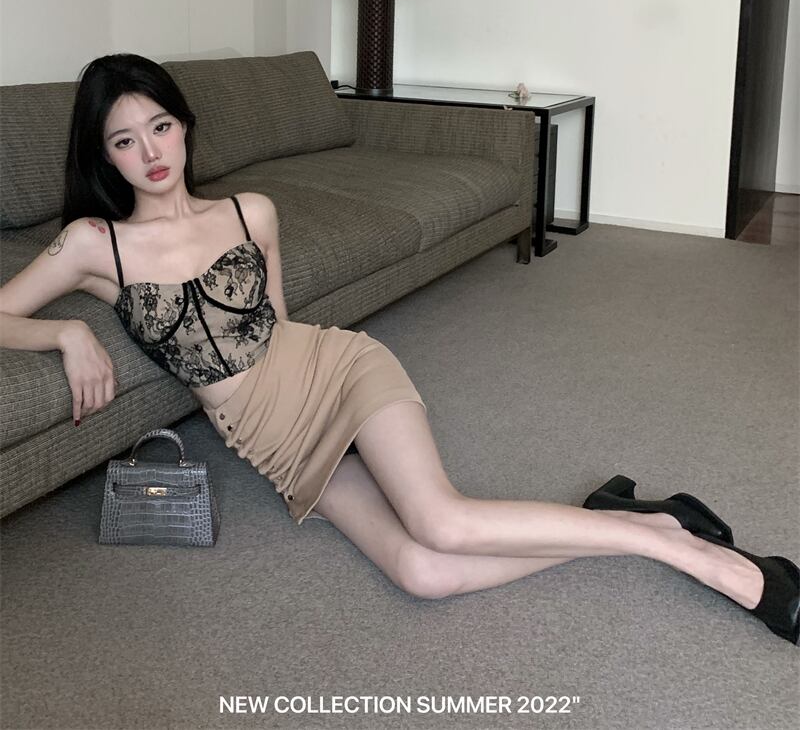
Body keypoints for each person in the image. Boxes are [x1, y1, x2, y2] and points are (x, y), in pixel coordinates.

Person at [0, 52, 797, 647]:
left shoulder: (251, 212)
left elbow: (281, 328)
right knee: (424, 573)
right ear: (104, 155)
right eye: (125, 140)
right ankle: (627, 520)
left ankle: (699, 558)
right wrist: (66, 331)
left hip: (339, 372)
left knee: (441, 522)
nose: (151, 153)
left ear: (185, 125)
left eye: (161, 127)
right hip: (277, 445)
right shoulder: (95, 244)